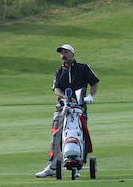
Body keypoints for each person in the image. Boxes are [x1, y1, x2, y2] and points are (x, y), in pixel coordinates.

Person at [35, 43, 99, 177]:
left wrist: (91, 96)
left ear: (72, 54)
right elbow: (56, 89)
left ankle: (78, 165)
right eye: (62, 53)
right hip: (62, 108)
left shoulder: (83, 68)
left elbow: (94, 82)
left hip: (80, 108)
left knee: (81, 134)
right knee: (57, 136)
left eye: (66, 52)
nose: (63, 55)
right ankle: (52, 166)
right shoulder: (59, 71)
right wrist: (65, 97)